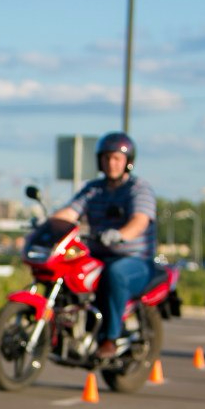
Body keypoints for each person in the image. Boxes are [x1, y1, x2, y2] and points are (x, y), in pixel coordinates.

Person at [52, 132, 158, 360]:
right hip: (98, 254)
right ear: (99, 160)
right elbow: (70, 212)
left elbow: (140, 221)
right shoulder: (94, 189)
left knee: (115, 273)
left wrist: (120, 234)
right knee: (68, 268)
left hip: (136, 260)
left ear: (128, 161)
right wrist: (49, 224)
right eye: (107, 158)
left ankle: (111, 338)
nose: (111, 163)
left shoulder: (138, 189)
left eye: (117, 158)